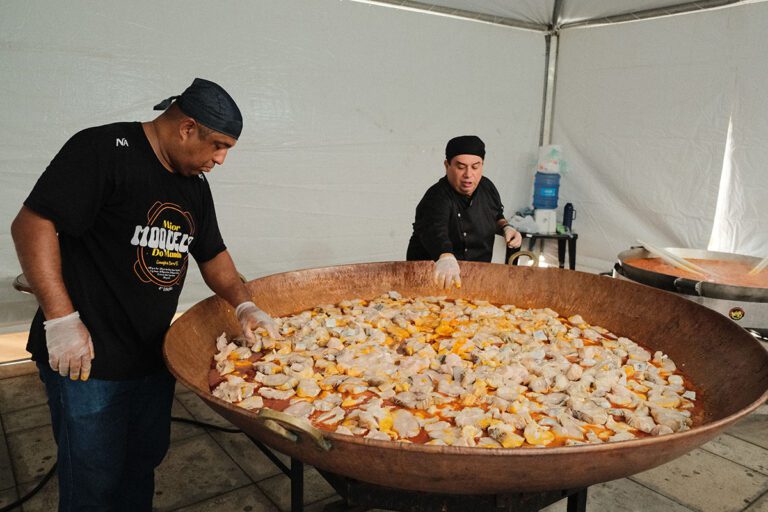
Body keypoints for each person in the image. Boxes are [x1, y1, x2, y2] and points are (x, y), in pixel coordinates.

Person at [10, 78, 278, 511]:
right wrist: (61, 319)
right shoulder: (102, 151)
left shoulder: (192, 184)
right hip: (87, 359)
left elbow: (214, 256)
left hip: (152, 356)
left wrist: (244, 303)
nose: (221, 160)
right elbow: (32, 224)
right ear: (187, 127)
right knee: (93, 481)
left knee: (141, 465)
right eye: (218, 145)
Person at [406, 135, 522, 288]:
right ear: (447, 165)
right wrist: (445, 256)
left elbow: (495, 215)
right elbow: (434, 230)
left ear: (482, 165)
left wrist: (506, 227)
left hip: (477, 276)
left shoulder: (487, 187)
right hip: (433, 280)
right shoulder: (436, 197)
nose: (468, 174)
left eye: (475, 167)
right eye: (461, 167)